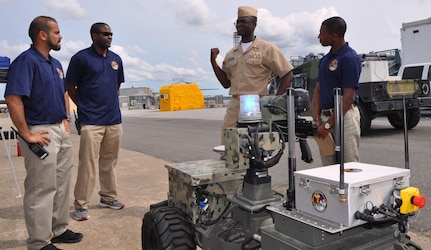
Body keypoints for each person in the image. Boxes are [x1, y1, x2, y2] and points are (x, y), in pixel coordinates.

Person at [4, 16, 83, 250]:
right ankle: (39, 242)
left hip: (59, 128)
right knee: (41, 188)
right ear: (42, 35)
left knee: (61, 184)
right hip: (40, 131)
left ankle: (58, 229)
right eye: (57, 32)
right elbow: (13, 98)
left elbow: (63, 94)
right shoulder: (25, 62)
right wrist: (27, 134)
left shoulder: (56, 64)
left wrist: (66, 120)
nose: (61, 36)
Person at [66, 22, 125, 221]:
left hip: (114, 120)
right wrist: (83, 106)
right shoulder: (80, 58)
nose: (109, 37)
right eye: (105, 33)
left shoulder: (116, 59)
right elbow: (71, 86)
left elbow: (116, 86)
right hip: (91, 121)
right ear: (94, 35)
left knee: (109, 163)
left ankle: (108, 197)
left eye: (111, 33)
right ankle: (81, 205)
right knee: (88, 164)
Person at [210, 6, 294, 143]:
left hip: (258, 103)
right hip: (235, 104)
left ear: (254, 24)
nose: (239, 25)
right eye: (237, 22)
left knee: (257, 145)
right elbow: (226, 83)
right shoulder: (231, 53)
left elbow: (287, 73)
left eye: (244, 22)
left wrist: (275, 100)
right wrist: (213, 62)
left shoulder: (267, 48)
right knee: (228, 143)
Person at [312, 16, 361, 166]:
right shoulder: (325, 60)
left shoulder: (349, 58)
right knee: (328, 166)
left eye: (322, 33)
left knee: (349, 166)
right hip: (325, 118)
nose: (319, 36)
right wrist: (318, 120)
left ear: (334, 36)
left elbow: (348, 97)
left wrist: (328, 125)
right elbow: (318, 90)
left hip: (345, 117)